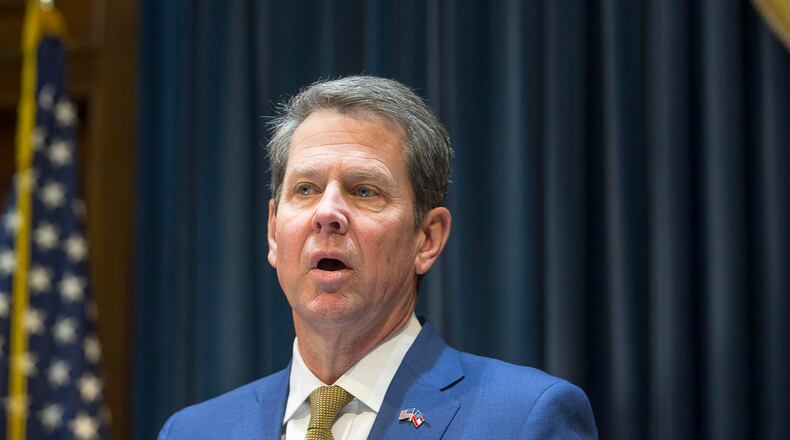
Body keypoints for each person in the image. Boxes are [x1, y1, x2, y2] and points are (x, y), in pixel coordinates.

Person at [158, 76, 597, 439]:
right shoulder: (192, 431)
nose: (327, 213)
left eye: (364, 190)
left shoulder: (525, 419)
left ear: (427, 238)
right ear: (274, 231)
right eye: (306, 189)